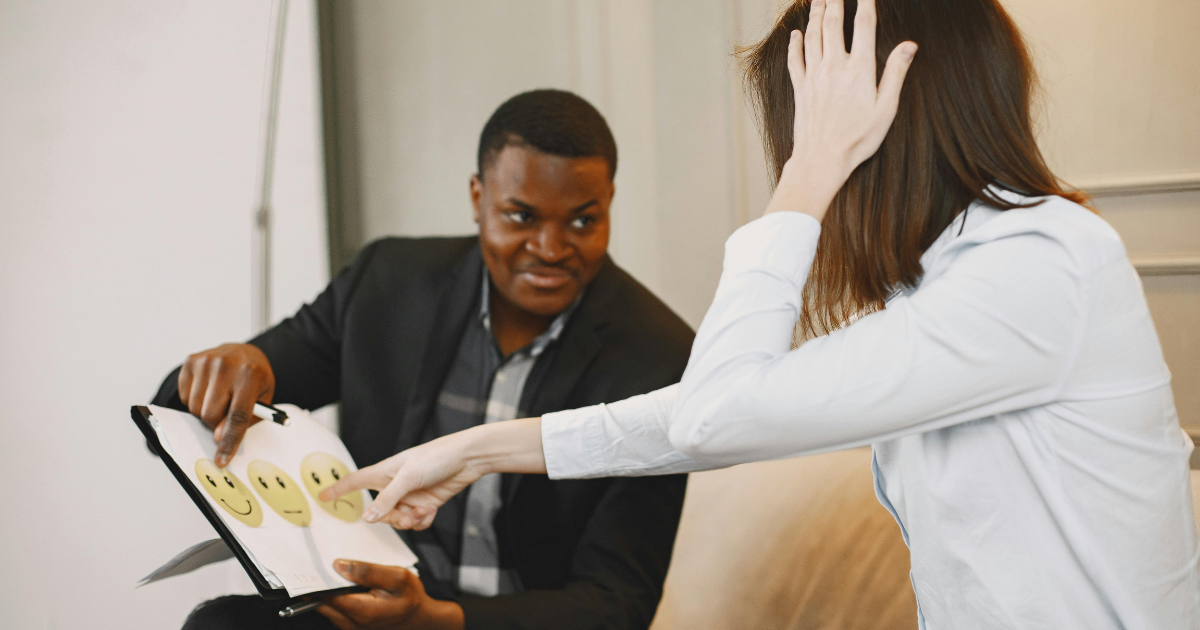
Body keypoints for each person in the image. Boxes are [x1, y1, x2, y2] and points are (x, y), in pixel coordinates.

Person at [324, 1, 1200, 628]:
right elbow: (708, 416)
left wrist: (811, 170)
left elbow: (716, 412)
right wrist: (473, 452)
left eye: (806, 124)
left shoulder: (1043, 267)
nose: (789, 150)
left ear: (886, 123)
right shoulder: (961, 283)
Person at [153, 89, 695, 630]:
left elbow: (618, 603)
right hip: (366, 607)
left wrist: (440, 621)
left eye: (582, 222)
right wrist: (222, 372)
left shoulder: (657, 356)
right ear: (477, 197)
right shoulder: (389, 282)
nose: (550, 248)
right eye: (521, 216)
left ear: (609, 202)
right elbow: (183, 414)